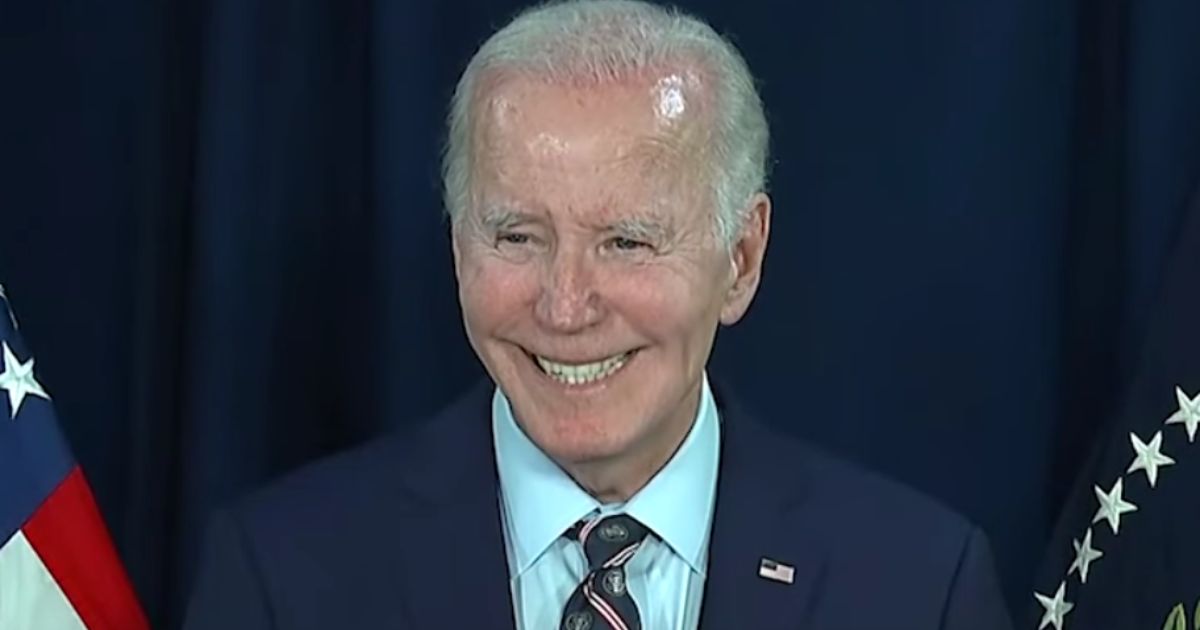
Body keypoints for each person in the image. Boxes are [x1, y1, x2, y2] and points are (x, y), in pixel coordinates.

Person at [184, 1, 1014, 628]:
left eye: (625, 241)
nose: (566, 305)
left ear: (741, 259)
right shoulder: (282, 579)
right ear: (456, 245)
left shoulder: (916, 587)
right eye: (516, 235)